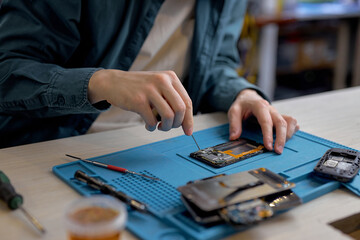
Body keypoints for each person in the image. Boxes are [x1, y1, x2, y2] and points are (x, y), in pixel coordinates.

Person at [0, 0, 299, 151]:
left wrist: (242, 94)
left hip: (156, 149)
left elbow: (217, 61)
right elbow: (7, 69)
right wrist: (102, 82)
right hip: (49, 148)